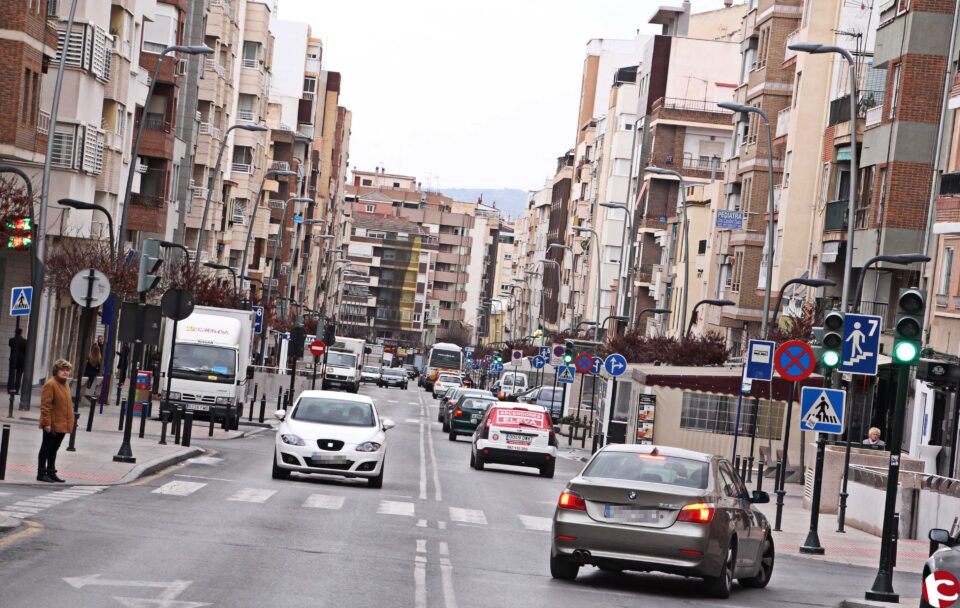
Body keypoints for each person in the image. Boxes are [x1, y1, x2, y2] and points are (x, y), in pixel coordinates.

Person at [38, 359, 74, 483]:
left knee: (54, 449)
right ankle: (41, 473)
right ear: (56, 371)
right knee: (46, 448)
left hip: (62, 424)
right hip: (52, 424)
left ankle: (51, 472)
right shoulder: (51, 384)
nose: (65, 372)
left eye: (67, 370)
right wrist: (47, 423)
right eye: (63, 370)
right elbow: (45, 406)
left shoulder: (65, 385)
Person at [7, 327, 27, 393]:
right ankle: (16, 390)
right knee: (19, 376)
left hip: (13, 359)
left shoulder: (11, 340)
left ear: (15, 332)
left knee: (11, 374)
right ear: (21, 333)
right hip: (21, 360)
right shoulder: (25, 341)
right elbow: (25, 351)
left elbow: (10, 346)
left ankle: (10, 389)